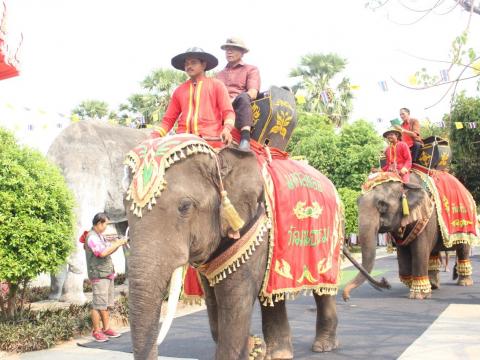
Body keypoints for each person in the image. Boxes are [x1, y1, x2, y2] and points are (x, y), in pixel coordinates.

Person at [151, 47, 235, 146]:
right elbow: (168, 120)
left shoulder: (217, 85)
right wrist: (154, 136)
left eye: (193, 62)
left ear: (203, 65)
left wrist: (227, 129)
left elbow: (228, 112)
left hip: (211, 141)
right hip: (182, 142)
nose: (189, 66)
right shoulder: (179, 90)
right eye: (186, 63)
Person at [85, 213, 127, 342]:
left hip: (107, 274)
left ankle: (106, 328)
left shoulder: (100, 236)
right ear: (99, 223)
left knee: (106, 304)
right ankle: (96, 331)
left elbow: (108, 250)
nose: (106, 227)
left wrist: (118, 244)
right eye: (105, 224)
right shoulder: (91, 237)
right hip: (99, 275)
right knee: (98, 305)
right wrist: (117, 243)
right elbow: (102, 253)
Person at [217, 37, 261, 152]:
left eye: (233, 49)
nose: (229, 51)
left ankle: (245, 138)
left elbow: (253, 93)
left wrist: (231, 100)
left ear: (242, 53)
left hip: (238, 105)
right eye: (227, 49)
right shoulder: (219, 75)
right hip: (219, 107)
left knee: (243, 96)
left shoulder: (251, 69)